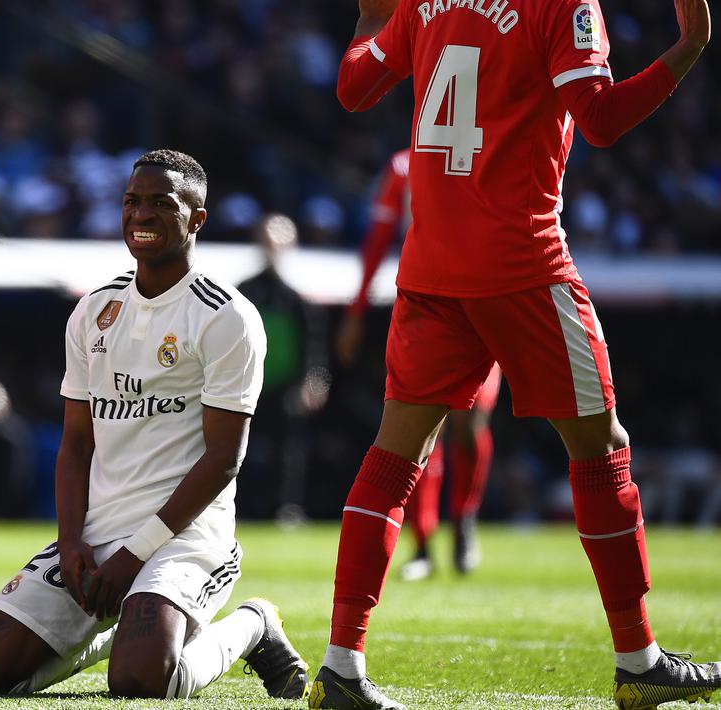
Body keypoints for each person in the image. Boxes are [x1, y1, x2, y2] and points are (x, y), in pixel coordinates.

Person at [314, 0, 719, 707]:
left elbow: (351, 89)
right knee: (600, 448)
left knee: (391, 458)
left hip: (431, 272)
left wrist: (367, 19)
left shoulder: (419, 2)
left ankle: (341, 664)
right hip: (523, 268)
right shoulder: (563, 3)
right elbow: (599, 121)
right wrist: (686, 49)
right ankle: (637, 658)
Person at [0, 149, 306, 700]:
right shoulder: (94, 310)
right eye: (131, 201)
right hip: (98, 534)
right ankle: (117, 631)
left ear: (198, 218)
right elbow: (75, 443)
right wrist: (72, 539)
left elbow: (224, 458)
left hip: (183, 540)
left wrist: (137, 553)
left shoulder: (227, 317)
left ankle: (253, 625)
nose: (141, 215)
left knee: (142, 683)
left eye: (160, 204)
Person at [336, 149, 500, 580]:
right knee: (424, 427)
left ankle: (464, 520)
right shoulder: (402, 167)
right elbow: (378, 238)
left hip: (487, 300)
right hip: (429, 301)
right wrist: (356, 309)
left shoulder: (489, 147)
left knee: (472, 420)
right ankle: (424, 542)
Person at [236, 213, 332, 523]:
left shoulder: (299, 296)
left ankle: (286, 507)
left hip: (287, 386)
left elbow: (316, 346)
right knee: (238, 450)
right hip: (247, 385)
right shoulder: (244, 290)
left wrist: (313, 381)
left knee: (290, 453)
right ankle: (241, 506)